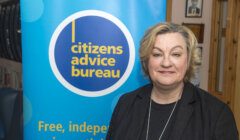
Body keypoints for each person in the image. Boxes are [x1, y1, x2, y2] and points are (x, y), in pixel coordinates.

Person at [106, 22, 239, 140]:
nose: (166, 63)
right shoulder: (126, 104)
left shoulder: (216, 114)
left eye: (176, 54)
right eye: (157, 54)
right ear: (147, 61)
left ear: (189, 60)